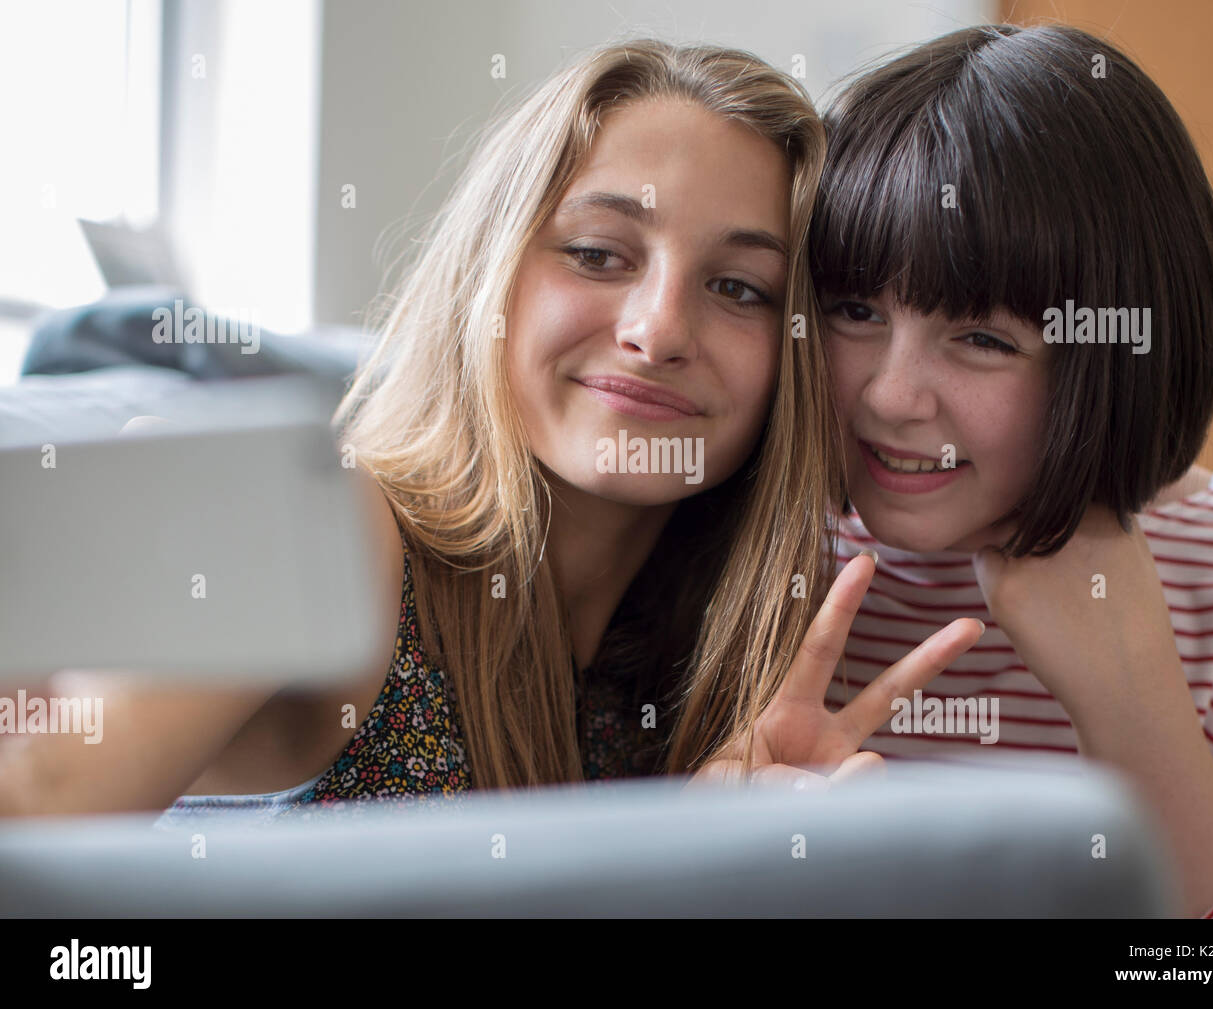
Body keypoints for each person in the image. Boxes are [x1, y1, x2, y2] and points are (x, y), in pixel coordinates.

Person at [0, 39, 982, 821]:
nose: (657, 329)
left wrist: (704, 864)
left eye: (738, 288)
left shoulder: (732, 662)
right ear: (489, 274)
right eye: (599, 253)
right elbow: (30, 815)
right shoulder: (320, 526)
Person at [808, 23, 1213, 918]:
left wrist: (1131, 699)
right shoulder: (774, 561)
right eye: (853, 309)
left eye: (984, 338)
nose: (890, 397)